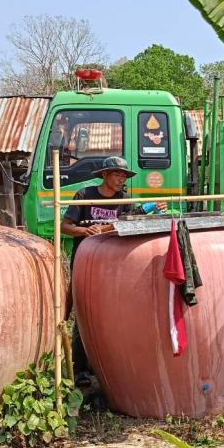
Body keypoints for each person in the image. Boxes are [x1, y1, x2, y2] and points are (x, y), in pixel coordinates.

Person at [61, 156, 166, 387]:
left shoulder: (124, 202)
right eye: (117, 175)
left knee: (107, 314)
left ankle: (106, 366)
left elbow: (127, 225)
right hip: (85, 260)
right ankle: (79, 370)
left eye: (123, 176)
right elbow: (65, 226)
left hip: (112, 265)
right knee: (82, 314)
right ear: (105, 175)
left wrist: (151, 211)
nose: (121, 180)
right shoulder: (84, 196)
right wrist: (84, 230)